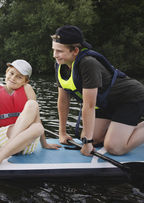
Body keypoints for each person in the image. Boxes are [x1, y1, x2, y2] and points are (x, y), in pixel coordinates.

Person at [51, 25, 144, 157]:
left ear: (75, 51)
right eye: (54, 50)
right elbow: (63, 100)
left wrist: (87, 143)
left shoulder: (88, 64)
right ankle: (123, 130)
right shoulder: (60, 65)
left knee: (114, 147)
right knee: (90, 138)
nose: (55, 55)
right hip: (106, 103)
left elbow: (89, 105)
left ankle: (121, 133)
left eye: (59, 51)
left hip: (129, 98)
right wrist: (62, 132)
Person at [0, 59, 60, 186]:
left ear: (25, 81)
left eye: (19, 77)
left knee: (36, 120)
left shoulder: (27, 88)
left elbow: (37, 118)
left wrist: (44, 144)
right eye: (11, 73)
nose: (13, 78)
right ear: (6, 72)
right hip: (5, 137)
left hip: (26, 145)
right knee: (37, 125)